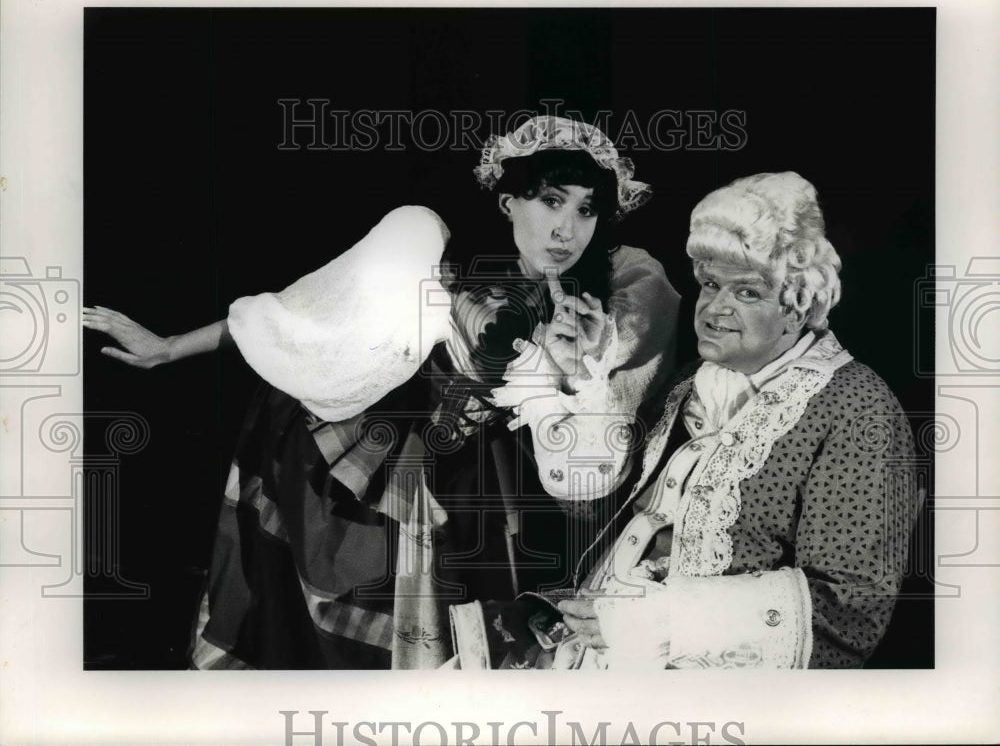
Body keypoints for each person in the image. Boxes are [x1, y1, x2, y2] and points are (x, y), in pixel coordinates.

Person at [82, 115, 681, 669]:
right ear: (508, 201)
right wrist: (168, 348)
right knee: (338, 642)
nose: (565, 228)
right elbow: (298, 318)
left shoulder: (603, 297)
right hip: (384, 471)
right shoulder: (440, 261)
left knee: (467, 658)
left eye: (585, 210)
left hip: (492, 486)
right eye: (551, 201)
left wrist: (578, 365)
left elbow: (597, 439)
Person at [447, 171, 916, 670]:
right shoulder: (688, 381)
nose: (715, 308)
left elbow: (851, 607)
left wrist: (647, 623)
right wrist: (579, 375)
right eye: (711, 284)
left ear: (798, 304)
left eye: (748, 293)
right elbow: (586, 509)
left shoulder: (858, 406)